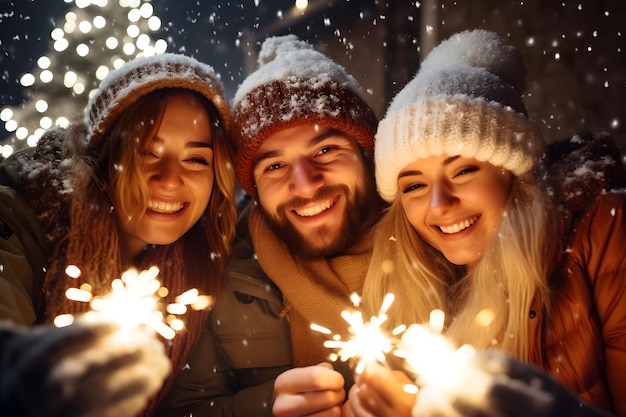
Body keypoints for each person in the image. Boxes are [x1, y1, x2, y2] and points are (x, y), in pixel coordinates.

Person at [345, 29, 626, 417]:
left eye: (463, 171)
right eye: (414, 185)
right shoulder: (408, 291)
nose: (439, 204)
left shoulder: (604, 233)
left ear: (514, 174)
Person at [156, 34, 384, 417]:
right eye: (275, 165)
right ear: (255, 188)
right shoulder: (216, 278)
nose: (306, 183)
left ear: (367, 157)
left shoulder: (437, 249)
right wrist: (266, 407)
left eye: (326, 150)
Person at [0, 53, 237, 416]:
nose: (170, 180)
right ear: (105, 156)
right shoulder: (21, 218)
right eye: (146, 153)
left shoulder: (201, 265)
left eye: (196, 159)